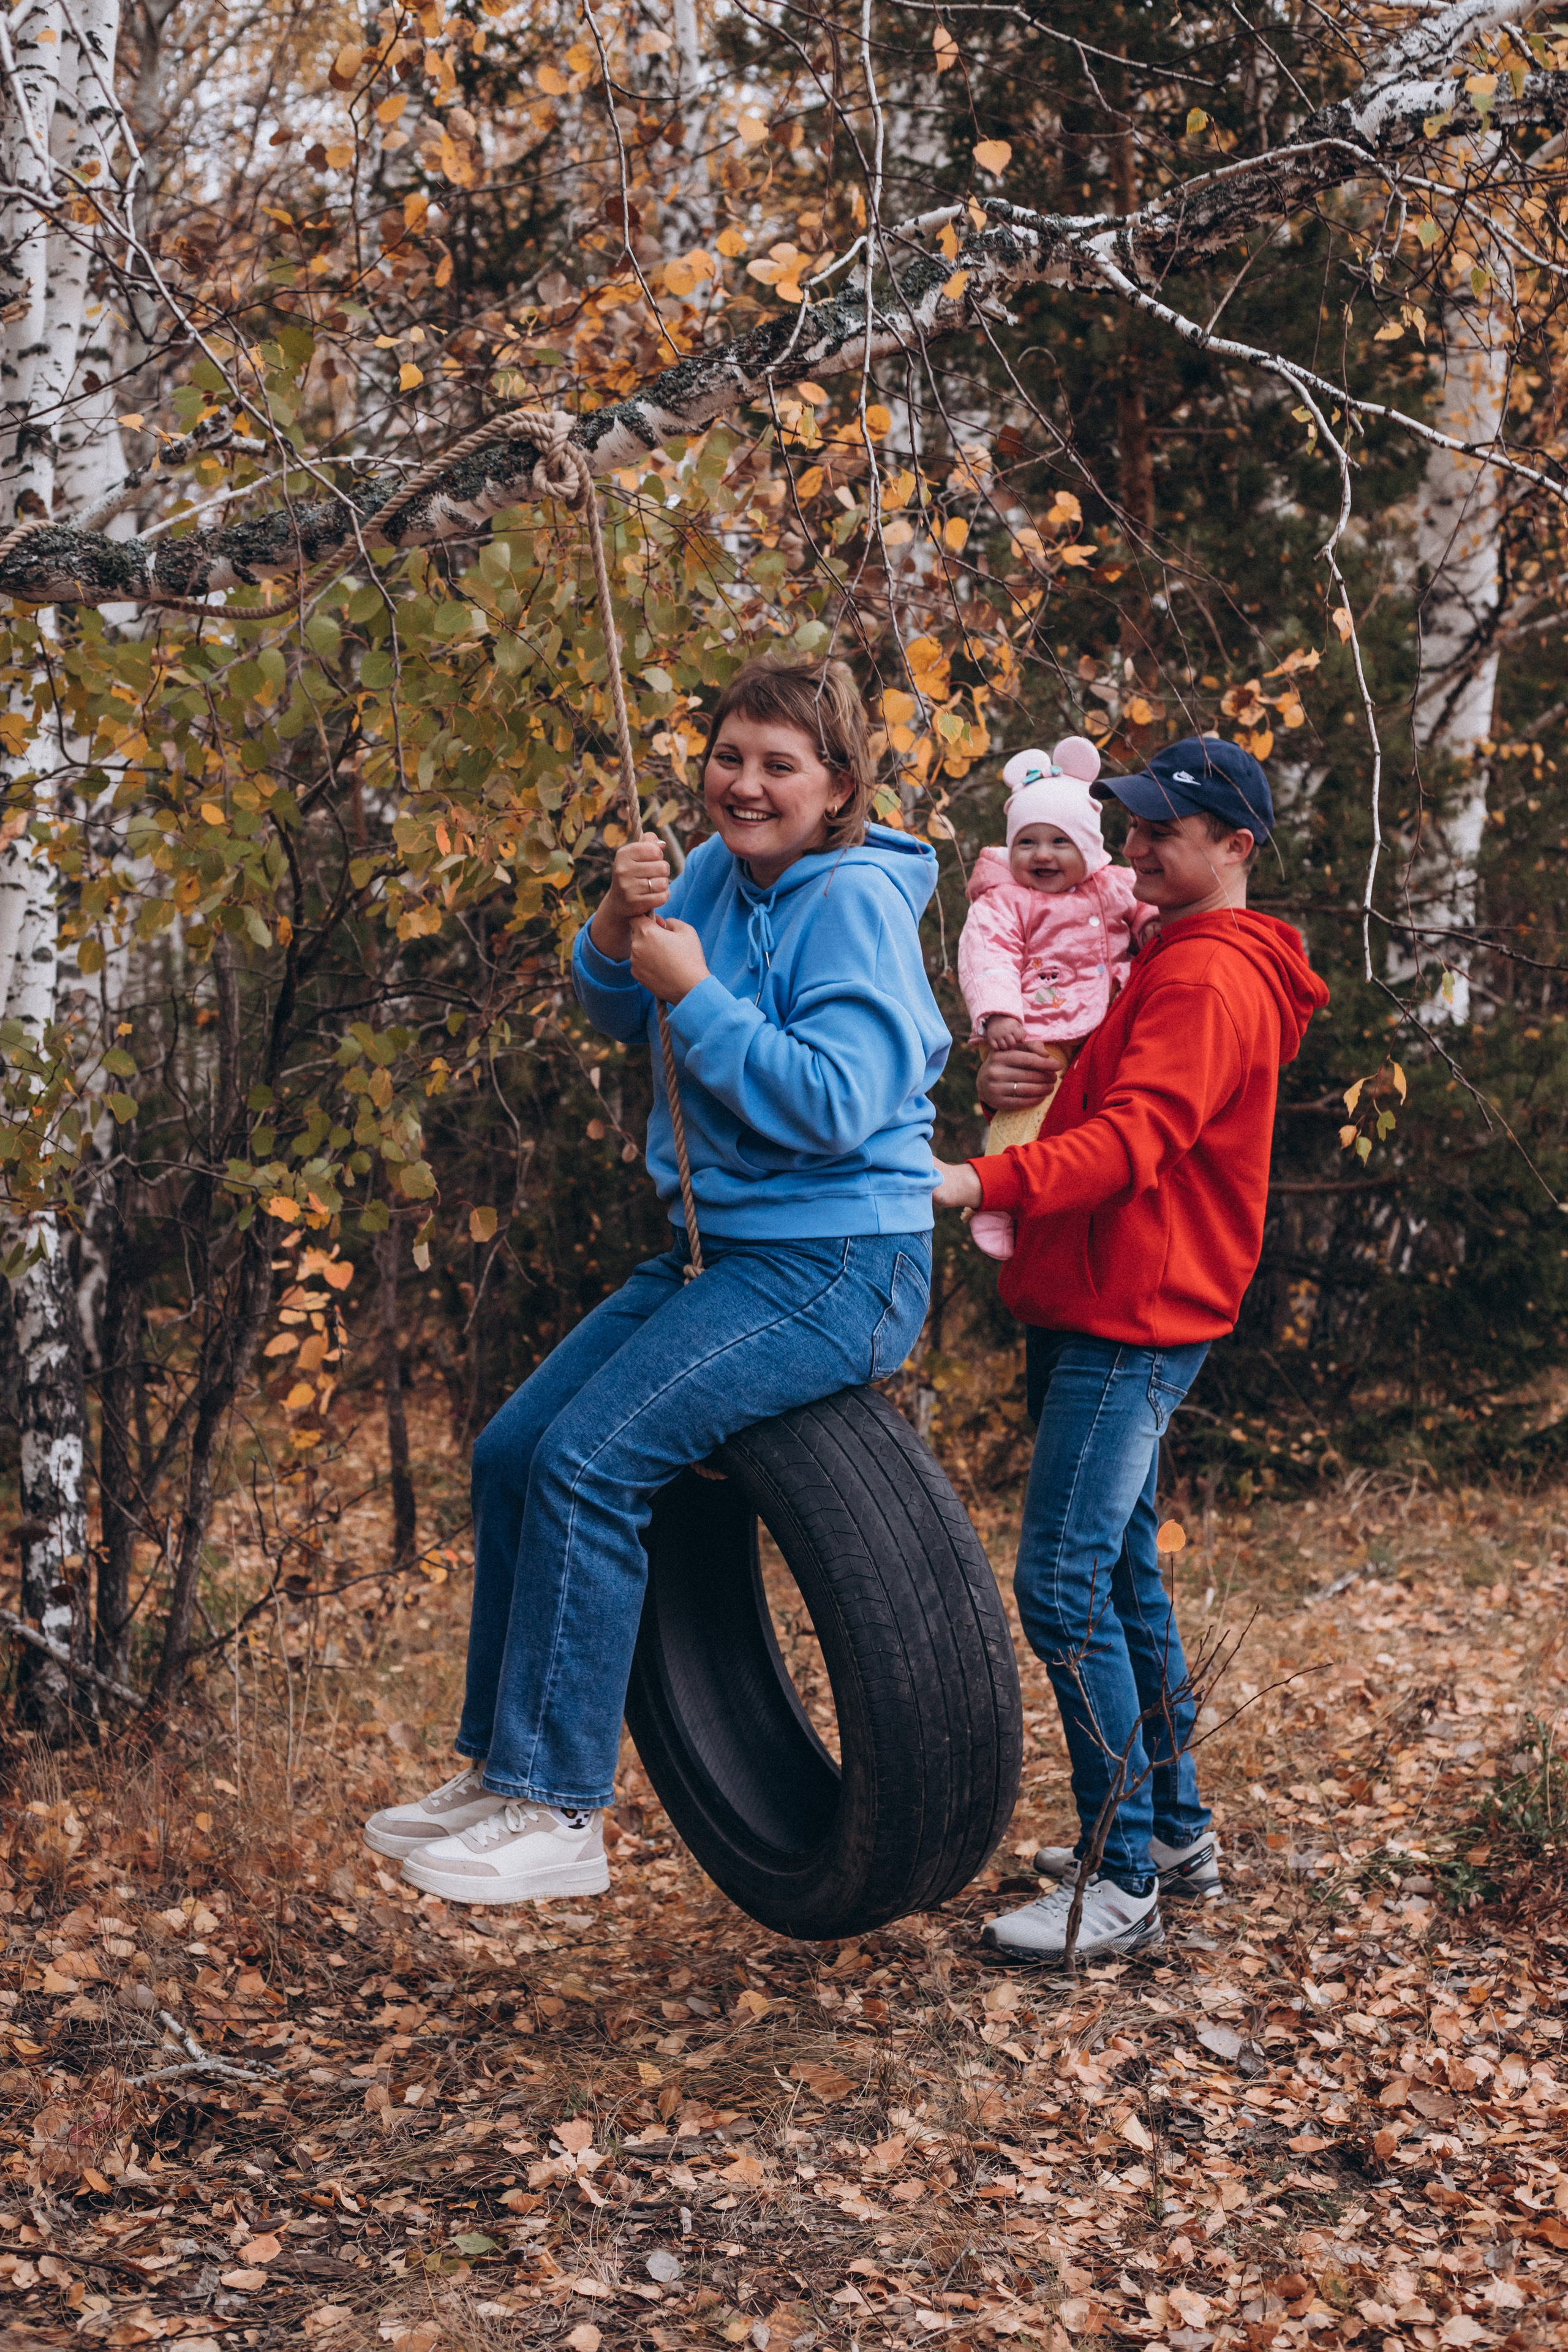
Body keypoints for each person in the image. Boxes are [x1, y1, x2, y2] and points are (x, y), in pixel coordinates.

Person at [364, 656, 951, 1905]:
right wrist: (612, 934)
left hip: (836, 1259)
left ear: (836, 782)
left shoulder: (850, 903)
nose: (742, 785)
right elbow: (614, 1013)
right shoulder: (710, 873)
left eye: (776, 765)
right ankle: (500, 1766)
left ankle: (561, 1810)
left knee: (593, 1460)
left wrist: (695, 994)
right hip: (721, 1252)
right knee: (518, 1452)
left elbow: (837, 1104)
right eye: (727, 756)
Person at [933, 736, 1329, 1962]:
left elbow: (1134, 1142)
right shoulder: (1162, 955)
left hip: (1134, 1314)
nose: (1139, 845)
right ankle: (1170, 1834)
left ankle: (1117, 1883)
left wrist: (976, 1178)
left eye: (1167, 830)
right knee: (1116, 1575)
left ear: (1237, 846)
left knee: (1058, 1585)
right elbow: (1091, 1095)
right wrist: (1014, 1069)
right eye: (1136, 825)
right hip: (1111, 1297)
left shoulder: (1206, 978)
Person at [957, 737, 1153, 1259]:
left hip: (1104, 1017)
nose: (1042, 855)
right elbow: (988, 955)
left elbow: (1141, 908)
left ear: (1088, 849)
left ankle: (1062, 1204)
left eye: (1059, 842)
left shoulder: (1110, 884)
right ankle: (995, 1197)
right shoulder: (1005, 901)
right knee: (1027, 1103)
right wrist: (998, 1011)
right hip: (1034, 1026)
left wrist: (1152, 923)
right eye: (1027, 843)